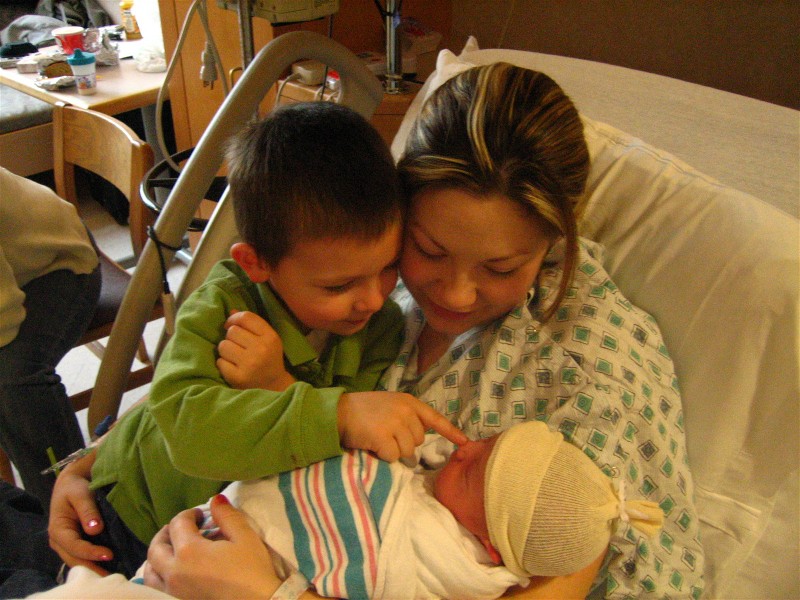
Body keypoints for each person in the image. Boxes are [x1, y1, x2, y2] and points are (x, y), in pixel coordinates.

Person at [55, 63, 707, 599]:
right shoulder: (369, 271)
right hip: (147, 518)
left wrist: (271, 595)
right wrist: (94, 467)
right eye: (426, 250)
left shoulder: (590, 373)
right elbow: (214, 398)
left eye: (501, 268)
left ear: (553, 242)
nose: (453, 294)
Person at [45, 102, 466, 579]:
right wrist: (338, 413)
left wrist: (278, 385)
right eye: (338, 286)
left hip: (214, 530)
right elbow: (186, 429)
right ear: (256, 263)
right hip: (130, 511)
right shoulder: (224, 306)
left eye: (388, 267)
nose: (372, 299)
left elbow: (340, 453)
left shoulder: (382, 326)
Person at [137, 421, 662, 600]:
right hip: (194, 542)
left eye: (474, 473)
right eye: (486, 441)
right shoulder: (445, 483)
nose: (464, 449)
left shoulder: (447, 560)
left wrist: (271, 592)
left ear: (490, 545)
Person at [0, 167, 101, 511]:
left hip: (59, 257)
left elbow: (4, 316)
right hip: (13, 257)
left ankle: (69, 505)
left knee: (13, 378)